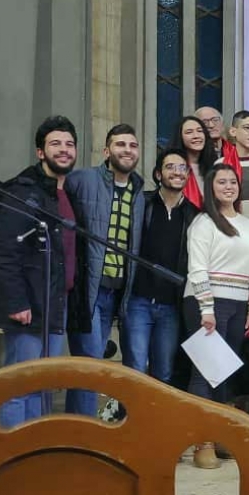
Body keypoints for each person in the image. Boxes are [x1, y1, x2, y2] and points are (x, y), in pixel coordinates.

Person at [0, 116, 78, 427]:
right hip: (28, 306)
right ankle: (13, 451)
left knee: (42, 385)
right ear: (40, 152)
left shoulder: (66, 194)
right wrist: (17, 303)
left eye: (69, 144)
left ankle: (35, 449)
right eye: (55, 144)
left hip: (56, 303)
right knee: (19, 386)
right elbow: (4, 254)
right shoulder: (23, 191)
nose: (64, 149)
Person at [183, 164, 249, 469]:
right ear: (211, 188)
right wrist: (206, 308)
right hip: (206, 301)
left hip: (238, 302)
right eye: (221, 182)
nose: (228, 187)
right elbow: (197, 267)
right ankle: (201, 442)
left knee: (224, 371)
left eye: (232, 182)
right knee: (204, 371)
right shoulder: (204, 223)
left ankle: (220, 436)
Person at [65, 124, 145, 418]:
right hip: (89, 289)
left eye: (133, 145)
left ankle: (81, 428)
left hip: (119, 292)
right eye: (120, 144)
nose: (127, 150)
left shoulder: (139, 190)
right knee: (90, 365)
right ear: (106, 151)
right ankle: (82, 432)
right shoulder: (82, 180)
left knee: (94, 365)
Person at [121, 148, 199, 385]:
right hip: (138, 301)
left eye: (182, 168)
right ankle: (130, 410)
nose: (177, 172)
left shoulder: (194, 214)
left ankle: (154, 412)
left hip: (171, 306)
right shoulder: (142, 204)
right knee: (135, 367)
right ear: (158, 174)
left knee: (163, 372)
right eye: (170, 167)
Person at [170, 115, 218, 208]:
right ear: (180, 137)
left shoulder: (215, 165)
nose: (196, 136)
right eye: (189, 132)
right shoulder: (174, 169)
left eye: (200, 131)